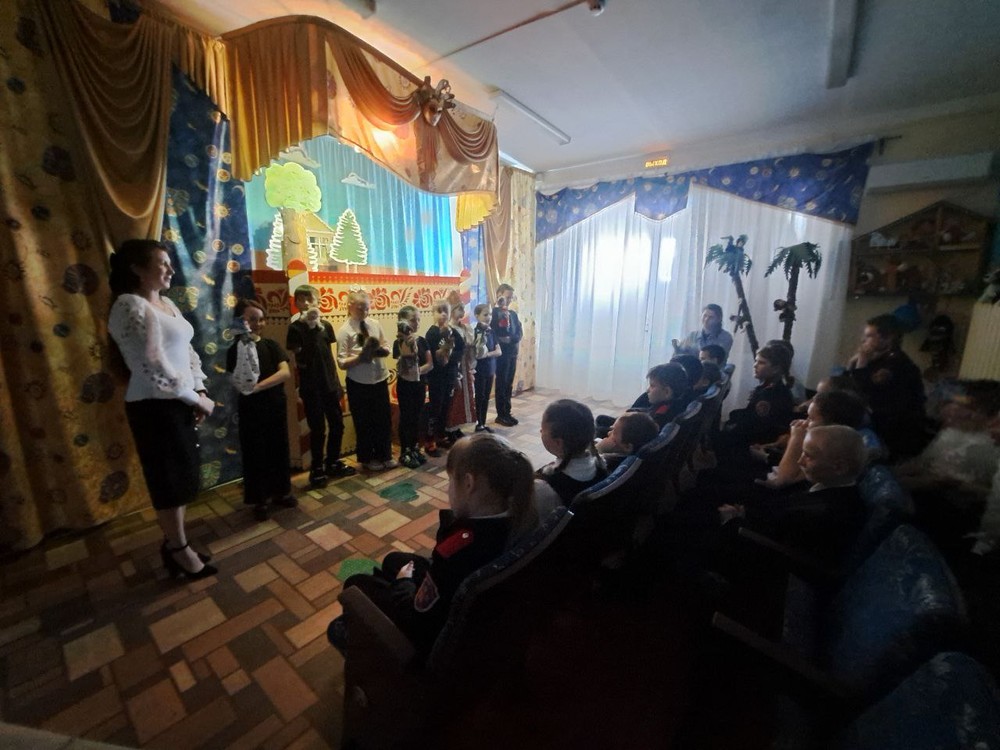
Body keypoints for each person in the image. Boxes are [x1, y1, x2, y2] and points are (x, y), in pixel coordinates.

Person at [328, 433, 539, 657]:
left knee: (355, 583)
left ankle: (365, 647)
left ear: (468, 483)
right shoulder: (519, 518)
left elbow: (417, 621)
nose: (448, 489)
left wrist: (404, 584)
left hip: (430, 636)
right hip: (474, 608)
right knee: (393, 560)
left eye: (451, 480)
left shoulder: (457, 551)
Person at [107, 239, 216, 580]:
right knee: (168, 482)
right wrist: (195, 399)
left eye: (170, 263)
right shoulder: (129, 306)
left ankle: (175, 544)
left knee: (181, 479)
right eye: (162, 263)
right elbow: (151, 366)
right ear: (137, 269)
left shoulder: (166, 303)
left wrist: (199, 387)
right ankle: (180, 550)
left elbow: (188, 350)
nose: (170, 269)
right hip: (154, 408)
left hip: (178, 402)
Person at [718, 425, 868, 569]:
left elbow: (778, 538)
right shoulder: (827, 481)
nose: (800, 461)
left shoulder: (831, 513)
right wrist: (745, 512)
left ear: (839, 467)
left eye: (808, 456)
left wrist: (735, 520)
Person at [227, 298, 296, 521]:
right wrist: (249, 388)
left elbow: (284, 373)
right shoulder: (235, 350)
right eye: (252, 319)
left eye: (261, 319)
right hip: (251, 410)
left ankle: (281, 492)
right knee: (256, 452)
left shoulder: (271, 346)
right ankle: (260, 498)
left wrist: (257, 387)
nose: (258, 324)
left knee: (278, 448)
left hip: (274, 406)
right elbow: (235, 379)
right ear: (241, 321)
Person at [286, 285, 356, 488]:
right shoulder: (295, 329)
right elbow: (300, 359)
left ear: (318, 302)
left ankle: (332, 462)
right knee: (317, 429)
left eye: (310, 299)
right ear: (296, 303)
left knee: (337, 424)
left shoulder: (326, 326)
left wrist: (337, 384)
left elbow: (327, 356)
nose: (307, 303)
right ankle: (316, 468)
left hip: (330, 385)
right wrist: (309, 328)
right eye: (302, 299)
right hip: (311, 388)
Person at [846, 313, 928, 458]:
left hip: (895, 429)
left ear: (888, 337)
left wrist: (862, 361)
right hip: (880, 419)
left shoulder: (896, 363)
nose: (863, 340)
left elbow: (863, 389)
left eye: (869, 336)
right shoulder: (879, 359)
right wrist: (854, 362)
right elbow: (846, 382)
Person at [336, 289, 396, 472]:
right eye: (360, 308)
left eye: (367, 308)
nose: (365, 312)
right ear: (350, 306)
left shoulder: (374, 324)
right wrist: (361, 358)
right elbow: (341, 362)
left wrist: (383, 351)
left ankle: (385, 454)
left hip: (379, 379)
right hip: (359, 383)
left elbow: (386, 344)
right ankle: (368, 458)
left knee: (383, 419)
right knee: (364, 422)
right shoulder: (345, 331)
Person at [535, 399, 609, 514]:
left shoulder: (547, 485)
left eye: (543, 429)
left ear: (558, 443)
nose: (540, 431)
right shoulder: (600, 466)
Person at [393, 306, 433, 469]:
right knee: (406, 417)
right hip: (405, 385)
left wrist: (418, 372)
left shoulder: (422, 340)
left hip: (419, 384)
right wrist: (405, 338)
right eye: (412, 320)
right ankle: (406, 451)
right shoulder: (399, 342)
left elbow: (429, 364)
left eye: (418, 319)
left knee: (417, 416)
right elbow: (404, 361)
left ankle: (415, 447)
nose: (416, 323)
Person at [425, 299, 464, 454]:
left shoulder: (452, 331)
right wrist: (443, 355)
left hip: (449, 375)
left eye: (445, 311)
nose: (442, 314)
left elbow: (460, 349)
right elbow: (433, 356)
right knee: (435, 408)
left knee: (445, 407)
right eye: (439, 311)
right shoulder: (432, 333)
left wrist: (450, 359)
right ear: (433, 313)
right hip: (436, 377)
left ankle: (440, 436)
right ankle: (430, 441)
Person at [491, 284, 523, 426]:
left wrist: (512, 339)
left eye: (511, 298)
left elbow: (519, 332)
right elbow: (494, 331)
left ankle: (507, 411)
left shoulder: (513, 314)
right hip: (502, 355)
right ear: (499, 295)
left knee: (509, 383)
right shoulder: (494, 313)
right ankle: (501, 414)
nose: (509, 300)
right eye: (507, 297)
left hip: (512, 353)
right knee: (502, 383)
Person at [445, 302, 476, 442]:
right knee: (455, 397)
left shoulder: (465, 328)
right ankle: (450, 429)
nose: (462, 311)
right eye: (459, 308)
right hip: (454, 366)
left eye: (463, 308)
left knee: (463, 397)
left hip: (464, 365)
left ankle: (457, 426)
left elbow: (470, 344)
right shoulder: (448, 328)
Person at [472, 303, 502, 433]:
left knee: (486, 397)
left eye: (490, 314)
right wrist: (487, 354)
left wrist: (487, 354)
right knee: (480, 396)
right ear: (477, 316)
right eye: (485, 315)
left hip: (490, 368)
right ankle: (478, 423)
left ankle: (483, 423)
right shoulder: (475, 332)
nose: (488, 317)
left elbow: (499, 351)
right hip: (480, 370)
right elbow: (477, 353)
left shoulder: (491, 331)